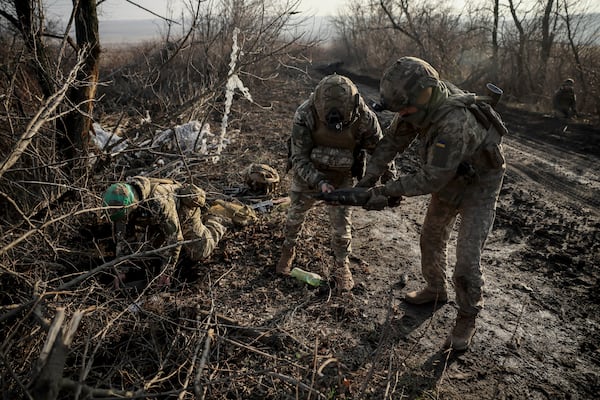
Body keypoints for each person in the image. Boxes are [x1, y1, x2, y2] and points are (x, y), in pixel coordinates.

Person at [357, 57, 507, 350]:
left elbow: (430, 180)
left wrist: (385, 192)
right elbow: (391, 143)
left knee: (466, 259)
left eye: (405, 108)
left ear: (423, 95)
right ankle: (435, 289)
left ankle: (467, 316)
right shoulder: (417, 106)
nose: (403, 114)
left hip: (479, 185)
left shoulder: (454, 122)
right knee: (431, 238)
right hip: (451, 176)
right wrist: (367, 180)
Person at [276, 73, 388, 292]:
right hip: (309, 174)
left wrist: (384, 183)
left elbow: (382, 153)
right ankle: (288, 249)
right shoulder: (306, 113)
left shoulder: (364, 117)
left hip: (342, 175)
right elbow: (298, 157)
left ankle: (341, 264)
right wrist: (319, 181)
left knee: (341, 227)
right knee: (294, 217)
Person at [102, 176, 256, 289]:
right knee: (147, 252)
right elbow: (124, 237)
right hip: (155, 217)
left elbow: (176, 238)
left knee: (200, 251)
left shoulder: (158, 202)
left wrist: (166, 273)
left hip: (182, 209)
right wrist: (121, 270)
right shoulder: (120, 200)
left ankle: (218, 216)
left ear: (132, 205)